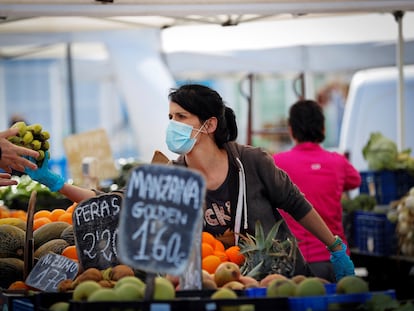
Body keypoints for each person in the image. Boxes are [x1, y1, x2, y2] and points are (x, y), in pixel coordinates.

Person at [24, 84, 355, 281]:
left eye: (181, 117)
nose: (173, 125)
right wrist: (55, 182)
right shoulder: (170, 177)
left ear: (209, 125)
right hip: (218, 285)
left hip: (280, 281)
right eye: (170, 117)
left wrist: (335, 247)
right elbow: (113, 201)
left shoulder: (253, 163)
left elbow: (296, 204)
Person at [273, 99, 361, 282]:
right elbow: (355, 181)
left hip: (299, 260)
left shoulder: (278, 163)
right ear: (323, 129)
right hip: (338, 256)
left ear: (291, 130)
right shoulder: (337, 161)